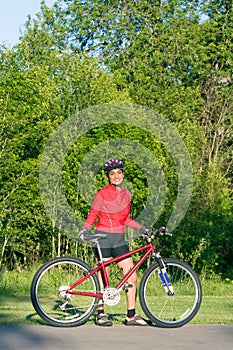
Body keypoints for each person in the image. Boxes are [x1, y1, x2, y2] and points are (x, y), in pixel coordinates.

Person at [78, 158, 148, 327]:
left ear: (123, 174)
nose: (116, 176)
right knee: (103, 278)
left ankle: (131, 315)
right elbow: (93, 214)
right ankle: (100, 314)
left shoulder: (127, 194)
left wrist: (142, 228)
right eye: (112, 174)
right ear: (108, 177)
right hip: (102, 238)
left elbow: (125, 219)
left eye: (119, 173)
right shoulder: (101, 194)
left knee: (131, 276)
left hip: (119, 239)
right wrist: (85, 228)